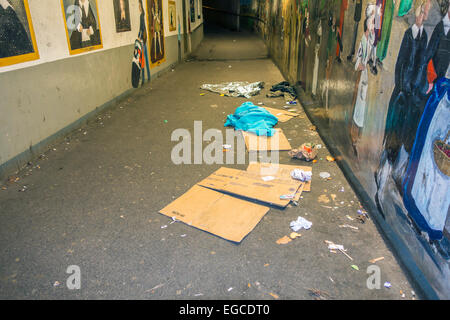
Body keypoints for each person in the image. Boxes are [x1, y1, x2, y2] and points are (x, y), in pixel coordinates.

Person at [138, 0, 150, 84]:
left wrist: (139, 37)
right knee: (146, 60)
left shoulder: (141, 16)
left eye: (139, 6)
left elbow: (141, 28)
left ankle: (143, 80)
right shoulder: (142, 15)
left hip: (142, 40)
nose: (138, 7)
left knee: (142, 60)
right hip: (144, 40)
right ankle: (148, 77)